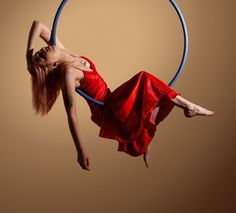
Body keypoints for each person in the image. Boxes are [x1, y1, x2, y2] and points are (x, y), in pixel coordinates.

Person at [26, 20, 214, 171]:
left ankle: (147, 140)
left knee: (148, 95)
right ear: (53, 67)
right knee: (145, 79)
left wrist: (29, 58)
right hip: (108, 110)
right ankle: (190, 107)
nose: (41, 51)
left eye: (39, 53)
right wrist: (80, 150)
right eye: (40, 58)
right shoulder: (68, 73)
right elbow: (71, 115)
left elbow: (38, 25)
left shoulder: (61, 52)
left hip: (112, 97)